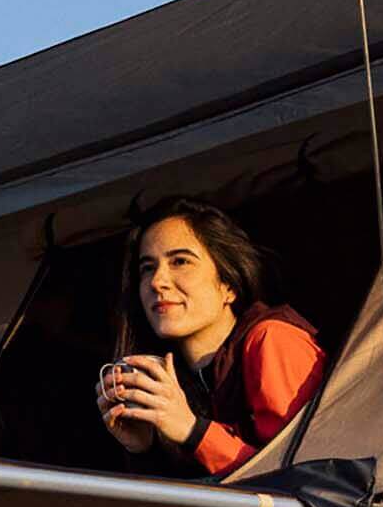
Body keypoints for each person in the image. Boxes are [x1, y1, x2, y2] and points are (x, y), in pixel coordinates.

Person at [96, 199, 327, 476]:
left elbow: (300, 476)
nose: (157, 281)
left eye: (180, 261)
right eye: (147, 268)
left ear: (228, 285)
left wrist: (193, 431)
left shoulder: (272, 339)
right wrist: (143, 447)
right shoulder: (175, 377)